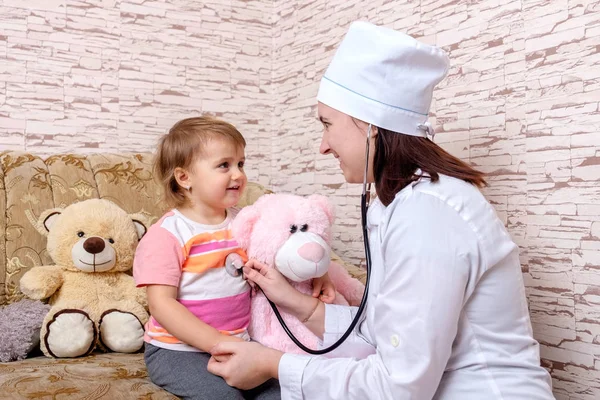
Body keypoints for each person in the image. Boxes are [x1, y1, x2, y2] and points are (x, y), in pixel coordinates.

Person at [206, 21, 556, 400]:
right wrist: (291, 300)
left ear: (370, 125)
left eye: (327, 125)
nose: (323, 146)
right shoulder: (395, 206)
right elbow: (380, 335)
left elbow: (398, 386)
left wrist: (272, 364)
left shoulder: (428, 215)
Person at [133, 116, 286, 399]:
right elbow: (161, 304)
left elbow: (284, 250)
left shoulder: (245, 221)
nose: (238, 174)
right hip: (177, 351)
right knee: (224, 396)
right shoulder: (167, 234)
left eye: (241, 164)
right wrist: (218, 343)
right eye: (224, 165)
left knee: (284, 391)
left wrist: (320, 273)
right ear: (184, 178)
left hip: (238, 343)